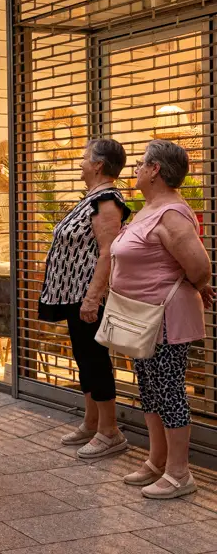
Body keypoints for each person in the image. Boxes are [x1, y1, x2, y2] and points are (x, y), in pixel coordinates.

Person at [112, 140, 211, 499]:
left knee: (169, 392)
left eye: (141, 163)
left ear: (155, 170)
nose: (136, 168)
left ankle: (180, 473)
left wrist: (196, 284)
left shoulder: (172, 213)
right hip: (142, 318)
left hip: (165, 317)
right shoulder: (150, 208)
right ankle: (158, 461)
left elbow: (200, 267)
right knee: (150, 390)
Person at [38, 140, 130, 459]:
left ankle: (110, 431)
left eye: (84, 158)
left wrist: (92, 297)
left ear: (98, 165)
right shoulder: (93, 198)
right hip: (74, 294)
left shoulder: (107, 200)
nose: (80, 163)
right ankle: (92, 423)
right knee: (84, 358)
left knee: (95, 359)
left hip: (88, 296)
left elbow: (107, 252)